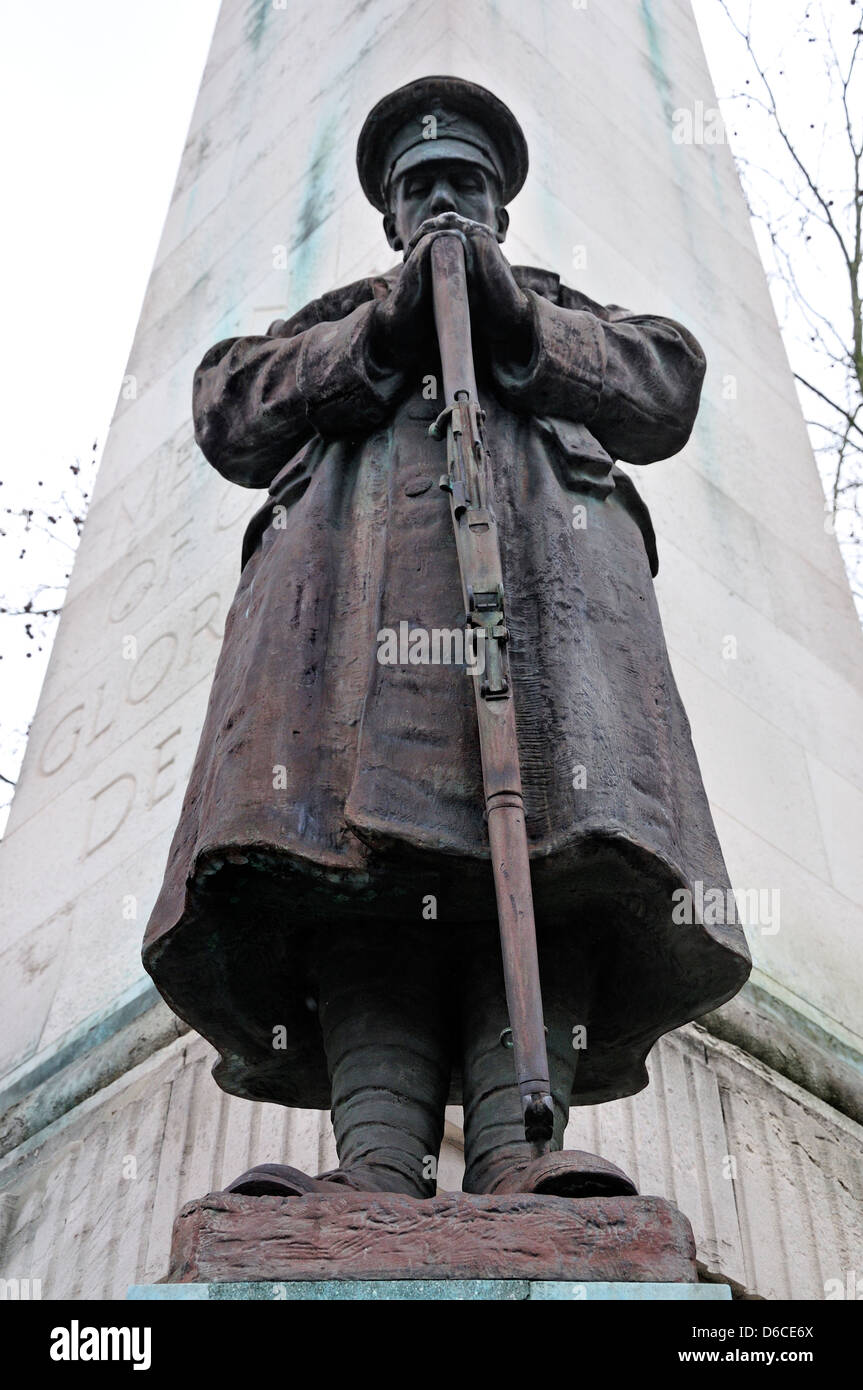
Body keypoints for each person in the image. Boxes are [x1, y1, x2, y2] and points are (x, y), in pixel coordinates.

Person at [143, 76, 750, 1200]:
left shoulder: (572, 313)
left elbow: (667, 385)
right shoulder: (327, 323)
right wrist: (378, 334)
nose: (442, 205)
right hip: (349, 666)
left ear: (501, 206)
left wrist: (518, 324)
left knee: (554, 860)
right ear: (385, 214)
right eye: (419, 188)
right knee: (362, 874)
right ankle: (375, 1163)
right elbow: (227, 407)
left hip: (544, 653)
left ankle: (527, 1153)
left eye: (463, 185)